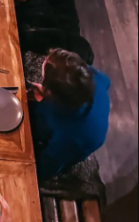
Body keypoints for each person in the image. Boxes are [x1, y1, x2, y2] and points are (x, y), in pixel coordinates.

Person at [28, 48, 111, 181]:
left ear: (56, 97)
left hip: (80, 142)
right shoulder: (90, 75)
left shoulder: (68, 136)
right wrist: (45, 92)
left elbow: (45, 168)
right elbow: (107, 82)